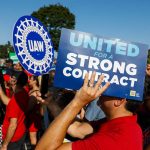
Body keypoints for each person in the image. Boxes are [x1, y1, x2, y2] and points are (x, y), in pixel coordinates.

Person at [35, 72, 142, 150]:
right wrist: (50, 103)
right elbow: (76, 128)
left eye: (107, 90)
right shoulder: (122, 123)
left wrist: (78, 102)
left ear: (119, 101)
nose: (101, 92)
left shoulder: (114, 140)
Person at [0, 72, 29, 150]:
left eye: (11, 77)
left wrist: (5, 145)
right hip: (20, 133)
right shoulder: (24, 92)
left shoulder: (16, 100)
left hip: (12, 139)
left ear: (14, 81)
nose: (9, 78)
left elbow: (13, 125)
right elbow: (8, 103)